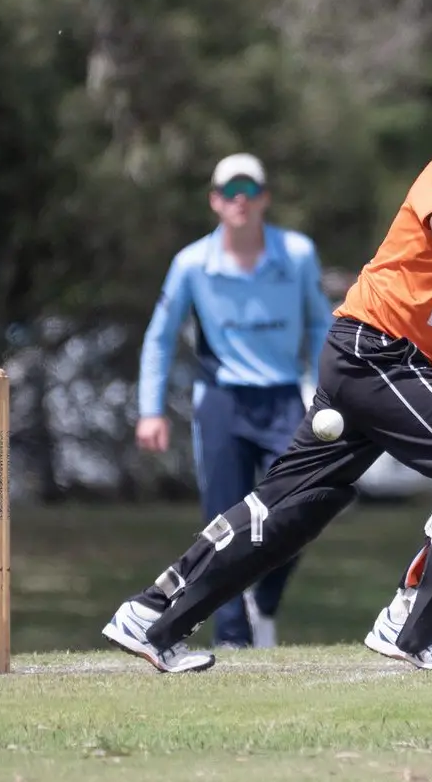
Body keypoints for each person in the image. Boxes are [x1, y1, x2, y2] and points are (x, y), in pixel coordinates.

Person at [102, 67, 432, 674]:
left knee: (293, 506)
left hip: (391, 362)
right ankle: (411, 626)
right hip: (374, 347)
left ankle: (151, 615)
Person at [132, 153, 333, 650]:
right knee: (224, 524)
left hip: (284, 398)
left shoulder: (297, 253)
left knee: (301, 510)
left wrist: (331, 389)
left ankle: (262, 602)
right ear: (215, 201)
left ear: (264, 198)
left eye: (249, 188)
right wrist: (150, 409)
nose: (239, 198)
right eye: (229, 190)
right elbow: (159, 337)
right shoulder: (192, 263)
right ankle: (232, 638)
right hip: (221, 400)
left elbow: (319, 325)